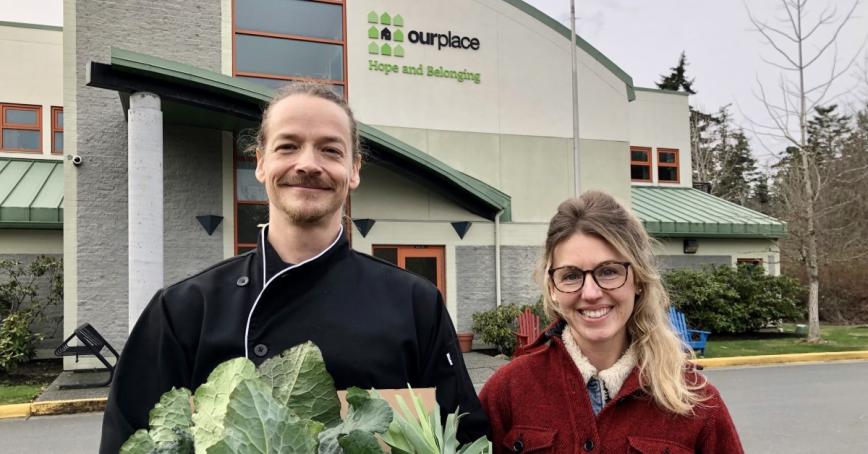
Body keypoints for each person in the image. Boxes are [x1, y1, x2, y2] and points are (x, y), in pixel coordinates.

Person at [100, 83, 488, 453]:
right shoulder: (182, 310)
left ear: (354, 170)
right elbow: (130, 442)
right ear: (261, 162)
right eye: (288, 146)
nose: (308, 164)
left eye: (330, 150)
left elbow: (465, 440)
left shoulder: (415, 303)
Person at [479, 192, 743, 453]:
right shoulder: (508, 390)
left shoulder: (696, 402)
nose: (591, 293)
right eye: (571, 275)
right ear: (552, 288)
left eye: (608, 271)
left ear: (638, 279)